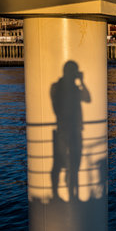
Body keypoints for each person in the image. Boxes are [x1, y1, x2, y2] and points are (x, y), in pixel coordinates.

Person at [50, 61, 91, 201]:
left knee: (69, 163)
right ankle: (68, 195)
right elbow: (87, 98)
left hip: (68, 129)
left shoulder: (60, 87)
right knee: (65, 163)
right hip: (68, 130)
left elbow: (87, 98)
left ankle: (68, 195)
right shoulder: (62, 87)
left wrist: (80, 82)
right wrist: (81, 81)